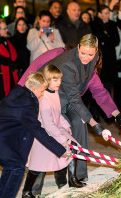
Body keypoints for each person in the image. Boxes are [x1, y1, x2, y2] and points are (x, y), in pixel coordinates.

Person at [18, 34, 121, 185]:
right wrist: (95, 124)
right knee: (49, 133)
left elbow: (99, 91)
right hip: (50, 99)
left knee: (79, 123)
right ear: (77, 48)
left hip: (69, 100)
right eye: (83, 53)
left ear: (95, 52)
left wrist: (117, 114)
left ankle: (77, 173)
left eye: (90, 54)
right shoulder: (65, 61)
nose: (86, 58)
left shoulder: (92, 62)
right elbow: (36, 67)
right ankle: (35, 184)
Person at [0, 72, 72, 198]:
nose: (42, 94)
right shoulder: (26, 104)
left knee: (11, 168)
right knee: (17, 169)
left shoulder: (19, 93)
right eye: (42, 91)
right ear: (33, 89)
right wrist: (59, 150)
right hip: (2, 142)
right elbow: (37, 131)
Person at [22, 65, 80, 197]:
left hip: (54, 131)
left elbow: (57, 114)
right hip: (44, 136)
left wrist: (66, 126)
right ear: (47, 80)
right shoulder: (44, 97)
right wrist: (62, 140)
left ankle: (66, 181)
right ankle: (28, 191)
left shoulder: (55, 93)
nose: (59, 82)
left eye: (60, 79)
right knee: (38, 166)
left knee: (70, 151)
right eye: (55, 80)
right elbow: (48, 123)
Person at [90, 5, 120, 93]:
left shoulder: (112, 24)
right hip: (98, 58)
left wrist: (105, 38)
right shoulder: (93, 24)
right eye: (105, 13)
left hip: (110, 59)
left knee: (108, 87)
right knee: (97, 86)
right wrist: (106, 37)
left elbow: (116, 41)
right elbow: (96, 39)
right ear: (99, 14)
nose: (108, 15)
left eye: (108, 13)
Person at [0, 18, 18, 101]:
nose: (7, 30)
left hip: (11, 76)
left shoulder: (7, 41)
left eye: (6, 28)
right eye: (4, 29)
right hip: (0, 80)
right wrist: (10, 63)